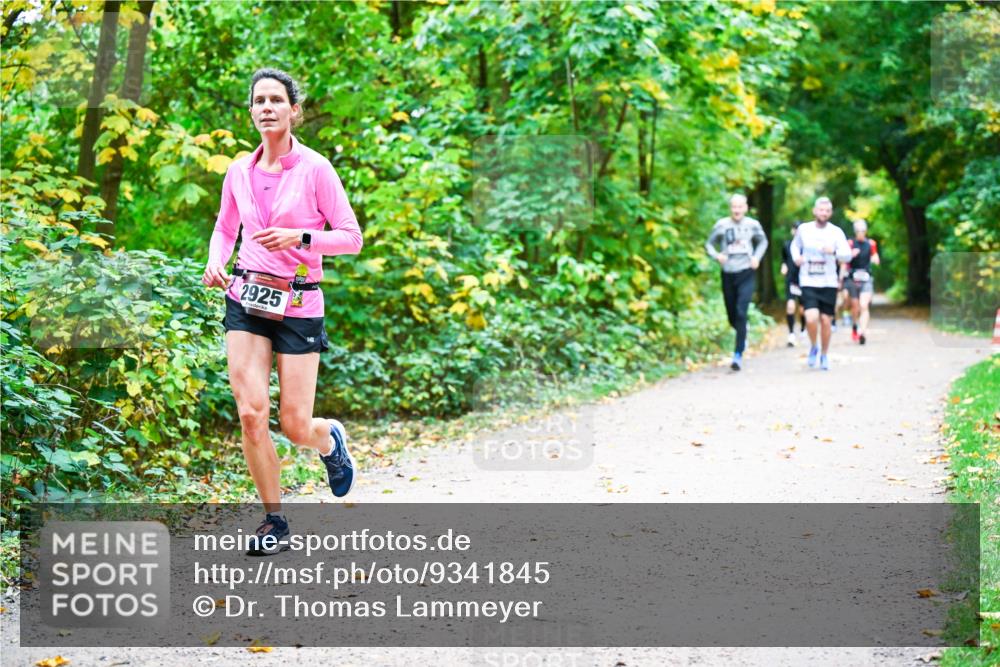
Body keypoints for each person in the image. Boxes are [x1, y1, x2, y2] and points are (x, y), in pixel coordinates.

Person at [202, 68, 363, 555]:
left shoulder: (316, 169)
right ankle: (274, 521)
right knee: (252, 413)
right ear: (251, 111)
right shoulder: (238, 171)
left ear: (294, 110)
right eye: (259, 100)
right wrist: (215, 261)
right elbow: (225, 228)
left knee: (295, 426)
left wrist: (302, 236)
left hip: (299, 300)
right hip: (247, 298)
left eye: (276, 99)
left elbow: (352, 238)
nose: (267, 107)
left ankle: (329, 440)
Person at [704, 194, 768, 371]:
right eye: (734, 207)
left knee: (741, 310)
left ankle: (738, 353)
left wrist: (756, 257)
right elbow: (709, 244)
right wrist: (717, 255)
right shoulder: (722, 225)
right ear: (730, 208)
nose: (737, 210)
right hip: (728, 272)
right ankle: (742, 329)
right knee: (732, 315)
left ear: (746, 208)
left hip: (746, 271)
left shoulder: (753, 225)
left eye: (740, 207)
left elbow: (763, 241)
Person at [790, 197, 852, 371]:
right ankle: (813, 345)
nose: (823, 213)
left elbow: (847, 255)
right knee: (810, 317)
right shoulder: (804, 229)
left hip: (828, 282)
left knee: (826, 320)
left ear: (830, 213)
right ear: (814, 211)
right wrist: (797, 258)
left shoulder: (836, 232)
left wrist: (835, 251)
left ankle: (824, 354)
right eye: (821, 210)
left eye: (827, 211)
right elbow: (795, 247)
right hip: (808, 280)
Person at [844, 219, 880, 344]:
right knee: (855, 307)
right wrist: (850, 254)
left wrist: (875, 259)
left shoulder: (871, 244)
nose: (861, 233)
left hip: (866, 277)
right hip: (852, 277)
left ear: (866, 231)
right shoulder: (850, 243)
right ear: (855, 232)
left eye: (863, 231)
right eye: (858, 231)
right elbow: (843, 259)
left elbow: (875, 256)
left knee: (864, 305)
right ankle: (854, 326)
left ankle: (862, 332)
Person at [780, 221, 806, 346]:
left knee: (803, 309)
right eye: (795, 229)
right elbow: (784, 259)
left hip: (804, 281)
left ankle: (803, 329)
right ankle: (791, 333)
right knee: (790, 306)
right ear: (792, 230)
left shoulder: (806, 246)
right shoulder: (787, 245)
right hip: (791, 280)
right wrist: (784, 266)